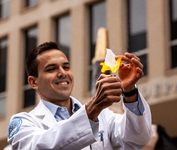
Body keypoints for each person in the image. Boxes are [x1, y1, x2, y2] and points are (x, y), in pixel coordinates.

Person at [7, 42, 152, 150]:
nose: (62, 73)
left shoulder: (103, 115)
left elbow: (137, 139)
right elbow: (41, 146)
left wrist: (130, 91)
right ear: (33, 82)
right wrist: (93, 107)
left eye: (66, 67)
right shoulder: (23, 123)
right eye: (51, 69)